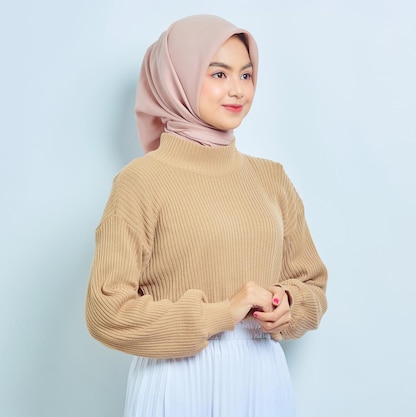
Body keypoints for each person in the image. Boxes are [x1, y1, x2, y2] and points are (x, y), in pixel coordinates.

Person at [85, 14, 328, 417]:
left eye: (246, 75)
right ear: (177, 78)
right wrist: (220, 313)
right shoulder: (141, 181)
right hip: (177, 381)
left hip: (262, 379)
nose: (238, 90)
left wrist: (290, 302)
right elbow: (106, 312)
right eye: (218, 74)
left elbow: (312, 285)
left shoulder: (271, 178)